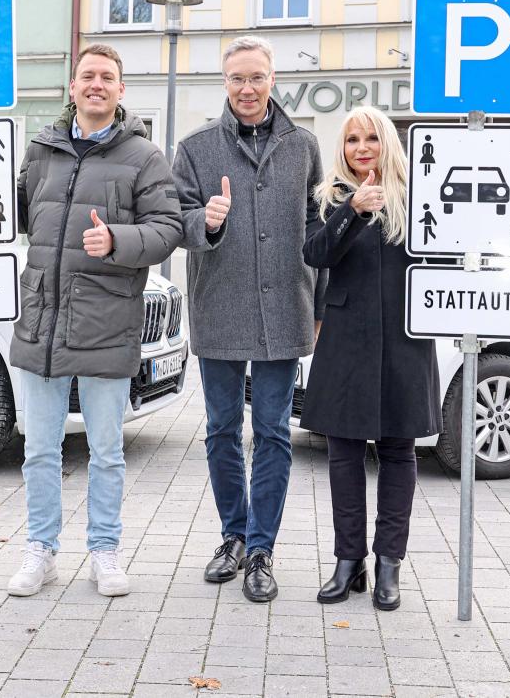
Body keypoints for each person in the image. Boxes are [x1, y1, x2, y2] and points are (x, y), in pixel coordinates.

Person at [6, 44, 182, 599]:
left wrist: (118, 240)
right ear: (74, 86)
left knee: (106, 451)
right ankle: (41, 550)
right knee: (39, 447)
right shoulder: (40, 152)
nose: (97, 84)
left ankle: (105, 551)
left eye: (108, 76)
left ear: (120, 90)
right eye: (88, 76)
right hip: (41, 318)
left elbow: (167, 227)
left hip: (107, 322)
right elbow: (4, 212)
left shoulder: (143, 157)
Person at [172, 35, 324, 603]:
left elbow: (318, 229)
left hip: (286, 303)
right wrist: (206, 222)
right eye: (237, 79)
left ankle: (262, 548)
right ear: (224, 83)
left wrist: (319, 305)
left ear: (273, 79)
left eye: (256, 77)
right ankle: (232, 536)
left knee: (273, 432)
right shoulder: (195, 148)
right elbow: (176, 220)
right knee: (219, 429)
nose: (247, 89)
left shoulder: (303, 145)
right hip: (221, 305)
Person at [301, 106, 440, 611]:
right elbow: (315, 254)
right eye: (354, 139)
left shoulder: (418, 197)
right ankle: (347, 560)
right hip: (346, 339)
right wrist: (354, 210)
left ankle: (388, 564)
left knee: (399, 451)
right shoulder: (331, 198)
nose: (363, 148)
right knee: (343, 452)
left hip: (405, 339)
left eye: (372, 139)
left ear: (388, 145)